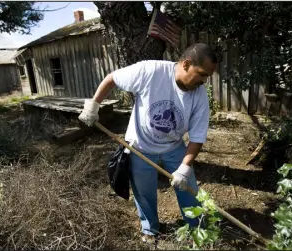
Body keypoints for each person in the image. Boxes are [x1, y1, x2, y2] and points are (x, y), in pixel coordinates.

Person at [79, 43, 217, 242]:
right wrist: (93, 106)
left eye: (207, 77)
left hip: (173, 146)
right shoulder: (150, 71)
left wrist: (184, 167)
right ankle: (150, 229)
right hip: (140, 146)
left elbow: (197, 137)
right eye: (202, 74)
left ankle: (197, 228)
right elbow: (112, 79)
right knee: (143, 193)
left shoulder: (199, 95)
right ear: (186, 64)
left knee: (188, 188)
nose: (204, 82)